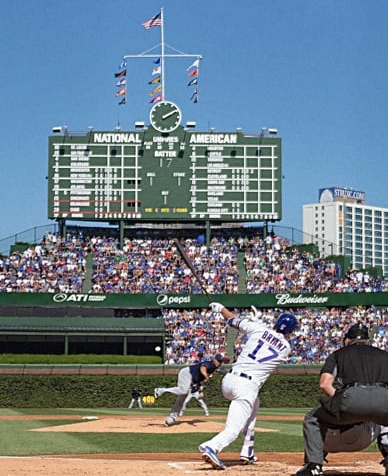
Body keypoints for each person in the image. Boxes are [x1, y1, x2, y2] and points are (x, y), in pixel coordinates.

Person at [199, 302, 298, 470]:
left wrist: (221, 308)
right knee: (233, 429)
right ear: (290, 331)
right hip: (246, 386)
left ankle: (248, 451)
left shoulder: (258, 329)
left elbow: (232, 321)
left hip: (230, 380)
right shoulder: (286, 348)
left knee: (254, 404)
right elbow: (274, 340)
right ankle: (211, 447)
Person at [295, 323, 388, 476]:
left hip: (351, 397)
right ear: (368, 340)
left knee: (312, 418)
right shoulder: (384, 355)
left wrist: (340, 400)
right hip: (384, 398)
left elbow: (325, 385)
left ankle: (313, 466)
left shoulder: (339, 354)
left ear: (347, 340)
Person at [154, 353, 228, 427]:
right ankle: (160, 390)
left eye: (221, 362)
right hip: (187, 373)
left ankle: (170, 419)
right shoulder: (211, 363)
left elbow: (218, 371)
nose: (219, 363)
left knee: (181, 400)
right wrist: (206, 376)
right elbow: (203, 367)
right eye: (218, 361)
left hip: (190, 378)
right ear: (215, 360)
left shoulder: (214, 368)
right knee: (183, 391)